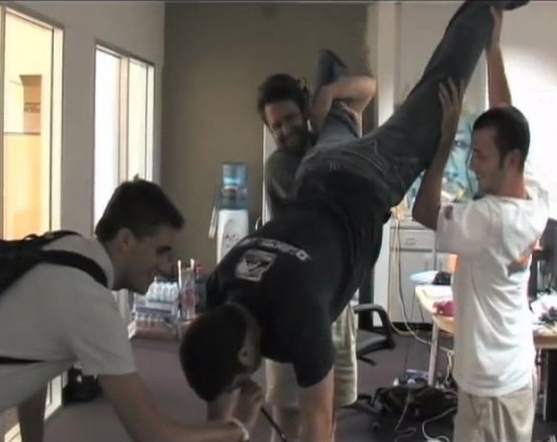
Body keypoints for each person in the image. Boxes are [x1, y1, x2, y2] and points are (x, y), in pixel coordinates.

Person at [179, 2, 529, 441]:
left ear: (248, 355)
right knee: (353, 105)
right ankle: (334, 71)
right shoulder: (221, 282)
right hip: (322, 165)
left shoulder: (300, 318)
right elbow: (215, 366)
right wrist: (231, 422)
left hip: (371, 180)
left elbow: (318, 426)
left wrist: (236, 423)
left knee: (440, 91)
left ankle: (481, 10)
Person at [0, 179, 263, 442]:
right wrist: (237, 428)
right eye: (161, 251)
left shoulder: (64, 248)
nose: (167, 265)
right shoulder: (89, 303)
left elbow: (31, 366)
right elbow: (152, 433)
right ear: (126, 240)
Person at [412, 6, 549, 442]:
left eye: (481, 156)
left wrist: (446, 137)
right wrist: (493, 50)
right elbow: (506, 115)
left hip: (495, 388)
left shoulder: (491, 219)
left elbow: (423, 211)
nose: (473, 164)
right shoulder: (534, 193)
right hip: (502, 373)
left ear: (511, 161)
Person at [257, 56, 376, 442]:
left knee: (329, 412)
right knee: (289, 415)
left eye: (291, 119)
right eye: (276, 126)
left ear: (305, 111)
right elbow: (323, 186)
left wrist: (329, 94)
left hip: (334, 300)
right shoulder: (280, 166)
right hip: (290, 302)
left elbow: (368, 89)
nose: (284, 130)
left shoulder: (328, 135)